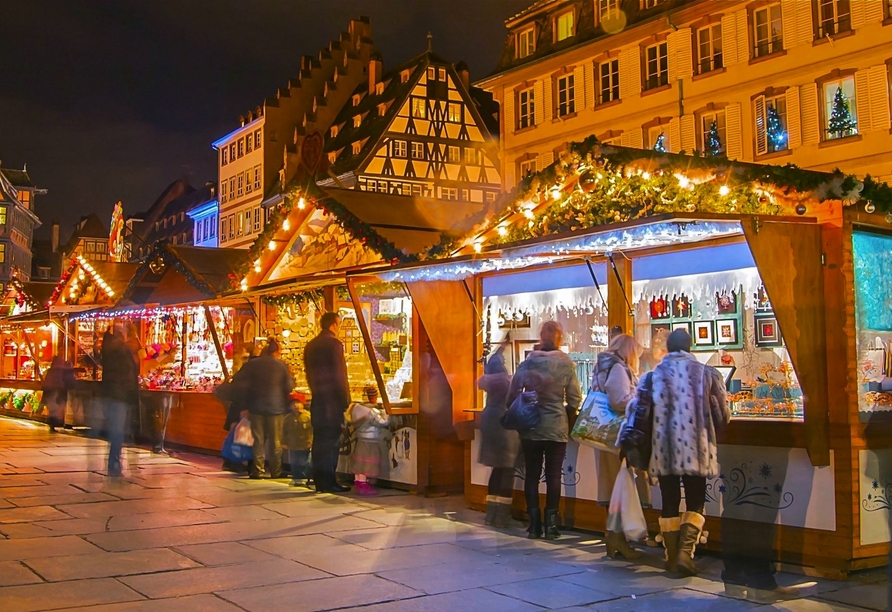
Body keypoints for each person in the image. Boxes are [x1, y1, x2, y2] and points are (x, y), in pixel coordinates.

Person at [643, 329, 730, 577]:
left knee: (669, 500)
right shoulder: (707, 374)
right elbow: (722, 416)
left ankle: (670, 556)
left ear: (669, 349)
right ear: (690, 347)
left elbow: (641, 413)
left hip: (664, 448)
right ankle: (685, 554)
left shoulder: (653, 376)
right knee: (695, 500)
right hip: (696, 448)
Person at [507, 321, 582, 540]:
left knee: (532, 474)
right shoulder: (567, 364)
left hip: (530, 425)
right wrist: (565, 412)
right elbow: (575, 399)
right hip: (556, 426)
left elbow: (512, 394)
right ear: (560, 337)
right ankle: (551, 525)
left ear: (540, 336)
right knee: (553, 475)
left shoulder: (528, 363)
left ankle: (534, 525)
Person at [590, 333, 647, 560]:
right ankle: (617, 538)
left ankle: (614, 538)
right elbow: (619, 400)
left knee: (612, 486)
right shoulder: (618, 369)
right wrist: (638, 398)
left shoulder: (602, 366)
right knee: (619, 487)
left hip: (602, 433)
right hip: (616, 435)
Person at [304, 311, 351, 493]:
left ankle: (320, 481)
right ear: (333, 325)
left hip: (318, 401)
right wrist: (345, 400)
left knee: (319, 443)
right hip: (332, 403)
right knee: (331, 444)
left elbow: (309, 374)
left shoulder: (311, 345)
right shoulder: (334, 345)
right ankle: (330, 481)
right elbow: (340, 375)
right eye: (338, 325)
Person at [234, 338, 295, 479]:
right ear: (276, 351)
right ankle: (276, 471)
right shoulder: (281, 366)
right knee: (276, 441)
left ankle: (258, 470)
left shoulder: (252, 365)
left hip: (256, 407)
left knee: (258, 440)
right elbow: (289, 387)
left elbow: (239, 382)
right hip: (276, 408)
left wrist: (245, 404)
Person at [477, 348, 519, 527]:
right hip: (504, 424)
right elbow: (515, 399)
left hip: (489, 420)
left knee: (496, 469)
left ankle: (491, 514)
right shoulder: (506, 381)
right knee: (508, 469)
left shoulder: (488, 383)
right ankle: (503, 516)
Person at [100, 324, 139, 477]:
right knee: (117, 430)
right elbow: (127, 373)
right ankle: (114, 462)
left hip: (117, 394)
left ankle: (115, 460)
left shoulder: (114, 348)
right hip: (119, 395)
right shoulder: (120, 349)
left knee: (117, 430)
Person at [349, 386, 390, 495]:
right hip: (370, 439)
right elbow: (383, 423)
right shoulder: (372, 411)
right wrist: (386, 412)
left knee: (360, 462)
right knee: (367, 463)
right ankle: (363, 486)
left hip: (361, 439)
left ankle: (358, 483)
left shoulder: (356, 408)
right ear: (374, 397)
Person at [282, 393, 313, 487]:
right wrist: (284, 442)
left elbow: (311, 430)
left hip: (304, 444)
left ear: (302, 404)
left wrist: (311, 441)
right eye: (293, 404)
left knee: (303, 461)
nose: (296, 406)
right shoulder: (288, 418)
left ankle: (303, 477)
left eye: (298, 403)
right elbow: (284, 431)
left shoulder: (308, 416)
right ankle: (295, 477)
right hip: (293, 444)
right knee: (294, 462)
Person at [42, 356, 76, 433]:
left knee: (53, 410)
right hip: (58, 392)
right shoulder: (62, 371)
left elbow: (46, 383)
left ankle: (53, 424)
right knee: (56, 410)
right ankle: (55, 423)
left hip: (51, 392)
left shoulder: (50, 371)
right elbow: (69, 382)